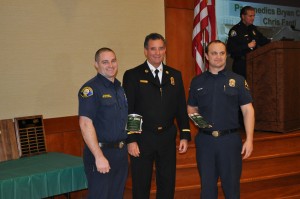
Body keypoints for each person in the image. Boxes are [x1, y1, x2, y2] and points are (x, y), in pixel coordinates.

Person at [122, 33, 191, 199]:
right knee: (141, 184)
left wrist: (185, 134)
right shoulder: (133, 75)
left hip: (167, 138)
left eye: (161, 48)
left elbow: (181, 107)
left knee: (167, 183)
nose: (157, 53)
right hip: (143, 138)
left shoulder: (175, 75)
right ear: (146, 51)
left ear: (165, 50)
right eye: (153, 49)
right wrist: (131, 139)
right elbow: (129, 109)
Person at [187, 40, 255, 199]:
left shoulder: (238, 80)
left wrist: (250, 139)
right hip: (205, 142)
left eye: (222, 53)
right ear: (206, 56)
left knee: (231, 187)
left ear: (226, 55)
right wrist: (201, 124)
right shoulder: (197, 81)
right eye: (214, 53)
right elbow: (191, 108)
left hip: (230, 141)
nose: (218, 57)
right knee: (207, 188)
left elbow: (248, 110)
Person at [78, 47, 128, 199]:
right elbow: (85, 123)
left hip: (120, 153)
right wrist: (99, 156)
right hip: (100, 153)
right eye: (105, 62)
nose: (110, 65)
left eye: (113, 61)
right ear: (96, 64)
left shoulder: (119, 89)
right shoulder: (90, 89)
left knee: (116, 195)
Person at [227, 6, 271, 78]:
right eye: (250, 16)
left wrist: (275, 43)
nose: (253, 18)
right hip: (241, 65)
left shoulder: (253, 29)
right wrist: (247, 46)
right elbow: (231, 49)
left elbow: (264, 41)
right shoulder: (235, 30)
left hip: (254, 64)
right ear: (243, 16)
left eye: (254, 16)